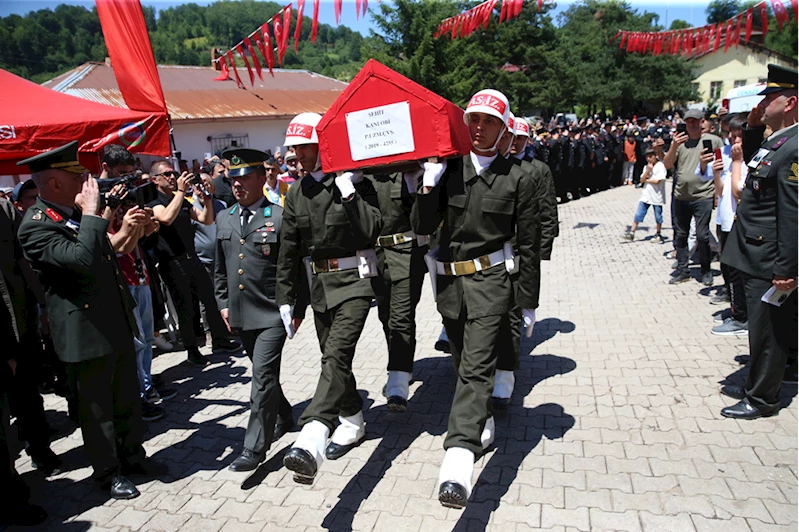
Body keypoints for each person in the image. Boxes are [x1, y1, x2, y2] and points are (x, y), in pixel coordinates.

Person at [411, 90, 538, 509]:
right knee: (465, 362)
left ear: (504, 130)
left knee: (477, 366)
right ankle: (479, 418)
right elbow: (422, 228)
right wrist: (427, 188)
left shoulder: (518, 177)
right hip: (449, 285)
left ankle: (459, 461)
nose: (480, 127)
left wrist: (529, 301)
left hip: (491, 284)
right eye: (474, 120)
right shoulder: (448, 171)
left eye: (489, 122)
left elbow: (530, 245)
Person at [17, 141, 150, 499]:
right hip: (84, 331)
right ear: (55, 183)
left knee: (126, 398)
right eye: (78, 176)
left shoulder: (75, 215)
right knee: (97, 411)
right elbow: (82, 259)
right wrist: (93, 214)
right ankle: (108, 473)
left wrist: (100, 215)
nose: (87, 183)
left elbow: (107, 252)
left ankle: (133, 457)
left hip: (113, 320)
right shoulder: (35, 226)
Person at [276, 113, 382, 484]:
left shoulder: (356, 183)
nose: (297, 155)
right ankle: (352, 421)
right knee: (332, 358)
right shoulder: (296, 192)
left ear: (322, 146)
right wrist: (287, 299)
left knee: (337, 354)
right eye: (293, 148)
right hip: (320, 285)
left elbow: (372, 229)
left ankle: (313, 435)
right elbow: (288, 249)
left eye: (303, 147)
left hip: (355, 281)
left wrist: (350, 192)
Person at [718, 64, 798, 419]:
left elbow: (793, 215)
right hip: (756, 250)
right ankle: (767, 379)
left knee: (767, 332)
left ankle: (763, 398)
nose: (763, 103)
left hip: (769, 257)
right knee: (765, 328)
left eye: (771, 97)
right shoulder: (778, 140)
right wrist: (751, 126)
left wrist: (786, 268)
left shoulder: (795, 148)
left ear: (792, 102)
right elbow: (755, 163)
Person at [215, 147, 300, 472]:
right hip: (240, 313)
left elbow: (293, 268)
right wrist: (222, 303)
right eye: (233, 179)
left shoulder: (278, 217)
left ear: (263, 178)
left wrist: (297, 307)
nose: (237, 185)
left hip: (271, 313)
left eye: (245, 178)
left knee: (261, 378)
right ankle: (285, 412)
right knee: (266, 377)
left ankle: (254, 449)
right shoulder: (225, 217)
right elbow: (221, 270)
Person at [99, 145, 177, 421]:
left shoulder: (129, 196)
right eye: (121, 174)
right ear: (106, 168)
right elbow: (111, 246)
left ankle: (145, 386)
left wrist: (146, 226)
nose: (126, 180)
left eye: (131, 174)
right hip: (120, 278)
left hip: (139, 271)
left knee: (145, 339)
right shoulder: (98, 200)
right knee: (135, 342)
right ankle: (138, 395)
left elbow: (135, 240)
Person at [147, 160, 241, 367]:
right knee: (186, 307)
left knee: (210, 299)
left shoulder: (180, 199)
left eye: (174, 173)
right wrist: (181, 191)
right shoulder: (155, 203)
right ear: (155, 180)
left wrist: (206, 199)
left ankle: (220, 340)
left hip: (192, 258)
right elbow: (166, 218)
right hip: (172, 261)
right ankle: (192, 350)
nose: (173, 177)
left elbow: (205, 219)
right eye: (167, 174)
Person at [0, 197, 62, 475]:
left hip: (20, 319)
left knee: (28, 393)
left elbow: (25, 259)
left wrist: (44, 305)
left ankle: (40, 450)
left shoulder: (4, 209)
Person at [368, 164, 428, 411]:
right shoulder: (364, 176)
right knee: (385, 316)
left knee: (401, 316)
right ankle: (403, 365)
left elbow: (424, 216)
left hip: (406, 253)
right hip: (376, 256)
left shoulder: (409, 170)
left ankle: (397, 384)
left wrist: (417, 185)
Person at [663, 108, 723, 286]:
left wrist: (717, 194)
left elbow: (722, 166)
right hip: (681, 196)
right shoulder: (680, 143)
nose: (692, 124)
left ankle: (706, 270)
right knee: (681, 235)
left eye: (695, 121)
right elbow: (667, 164)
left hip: (703, 195)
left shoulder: (714, 141)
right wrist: (673, 146)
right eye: (688, 121)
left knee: (703, 236)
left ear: (702, 121)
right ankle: (683, 270)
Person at [704, 113, 749, 337]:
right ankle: (736, 310)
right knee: (728, 269)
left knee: (737, 272)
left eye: (737, 136)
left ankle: (742, 316)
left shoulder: (746, 158)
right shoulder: (728, 155)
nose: (732, 140)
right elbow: (721, 191)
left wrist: (738, 162)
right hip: (724, 220)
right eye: (729, 135)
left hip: (739, 222)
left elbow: (738, 191)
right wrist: (716, 173)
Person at [622, 149, 667, 243]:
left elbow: (657, 181)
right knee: (639, 214)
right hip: (646, 194)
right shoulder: (647, 167)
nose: (649, 159)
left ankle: (658, 233)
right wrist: (647, 171)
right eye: (647, 157)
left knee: (658, 216)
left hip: (656, 195)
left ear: (655, 156)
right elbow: (641, 180)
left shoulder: (660, 166)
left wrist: (647, 180)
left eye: (651, 156)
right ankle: (632, 232)